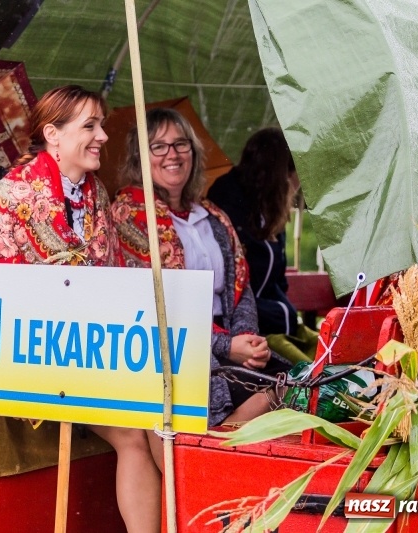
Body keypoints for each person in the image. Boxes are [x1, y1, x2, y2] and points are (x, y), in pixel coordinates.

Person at [0, 85, 162, 533]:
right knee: (135, 432)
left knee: (160, 419)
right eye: (89, 126)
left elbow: (111, 277)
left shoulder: (97, 196)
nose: (103, 136)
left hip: (88, 354)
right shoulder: (9, 198)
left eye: (101, 124)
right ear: (52, 133)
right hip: (27, 358)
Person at [111, 108, 292, 428]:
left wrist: (246, 340)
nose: (173, 154)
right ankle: (210, 456)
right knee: (271, 395)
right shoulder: (130, 213)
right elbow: (151, 306)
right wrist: (225, 346)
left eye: (181, 144)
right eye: (159, 146)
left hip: (229, 345)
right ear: (140, 157)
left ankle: (219, 454)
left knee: (299, 388)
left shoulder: (212, 215)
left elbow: (242, 288)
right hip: (175, 351)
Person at [207, 127, 317, 364]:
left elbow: (278, 280)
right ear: (283, 174)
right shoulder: (229, 199)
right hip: (248, 334)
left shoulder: (270, 208)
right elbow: (237, 283)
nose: (299, 183)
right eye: (297, 172)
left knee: (330, 360)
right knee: (307, 374)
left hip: (279, 325)